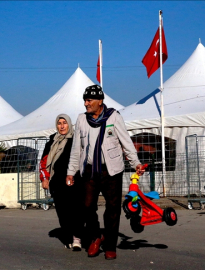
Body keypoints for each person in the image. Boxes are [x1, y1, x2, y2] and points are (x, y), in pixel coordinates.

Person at [65, 85, 145, 260]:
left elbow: (126, 142)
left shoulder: (114, 117)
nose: (86, 104)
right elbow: (76, 149)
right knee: (87, 207)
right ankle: (95, 237)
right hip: (89, 171)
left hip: (111, 171)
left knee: (113, 209)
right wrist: (71, 171)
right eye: (84, 100)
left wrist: (136, 163)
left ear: (100, 101)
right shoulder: (81, 120)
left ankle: (110, 246)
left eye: (89, 100)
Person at [39, 114, 83, 251]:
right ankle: (68, 236)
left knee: (75, 210)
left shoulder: (76, 139)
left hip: (74, 180)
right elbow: (44, 162)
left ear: (69, 124)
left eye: (64, 123)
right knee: (62, 211)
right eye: (59, 123)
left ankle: (77, 237)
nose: (62, 126)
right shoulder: (52, 141)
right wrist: (44, 178)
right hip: (57, 182)